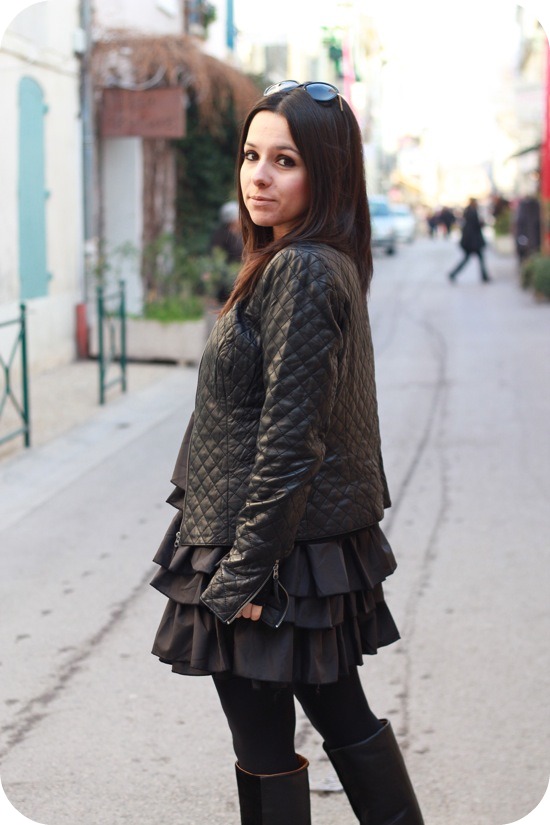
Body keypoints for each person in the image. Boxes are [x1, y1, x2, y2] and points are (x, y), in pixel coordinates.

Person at [150, 79, 424, 825]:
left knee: (269, 743)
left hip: (268, 549)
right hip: (288, 546)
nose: (259, 176)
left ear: (325, 173)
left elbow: (291, 439)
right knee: (338, 716)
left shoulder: (301, 268)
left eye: (286, 160)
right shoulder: (299, 259)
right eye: (251, 155)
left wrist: (243, 571)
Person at [448, 197, 491, 282]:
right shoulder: (472, 212)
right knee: (474, 259)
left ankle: (484, 276)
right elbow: (476, 225)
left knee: (473, 259)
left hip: (471, 242)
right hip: (473, 242)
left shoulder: (469, 212)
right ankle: (484, 277)